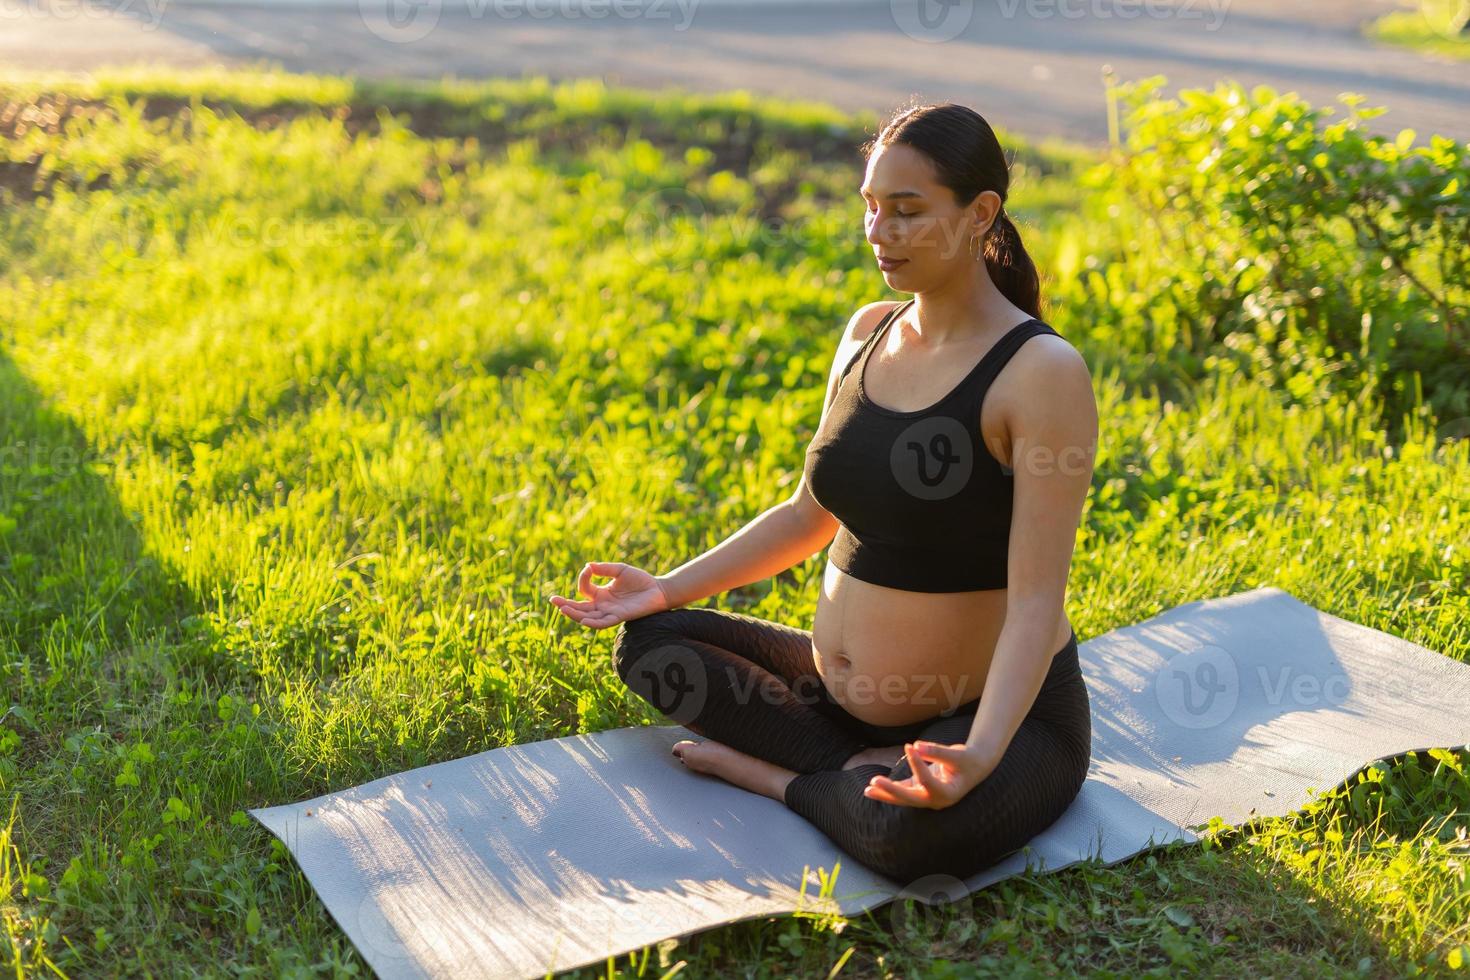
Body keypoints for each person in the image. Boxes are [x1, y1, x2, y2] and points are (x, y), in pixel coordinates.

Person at [550, 101, 1098, 884]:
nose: (879, 232)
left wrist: (976, 756)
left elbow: (1038, 603)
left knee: (905, 840)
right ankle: (853, 762)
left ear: (981, 215)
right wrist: (666, 587)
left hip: (993, 715)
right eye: (872, 207)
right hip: (835, 695)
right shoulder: (869, 329)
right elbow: (809, 515)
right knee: (652, 644)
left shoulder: (1039, 373)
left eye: (908, 212)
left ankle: (785, 781)